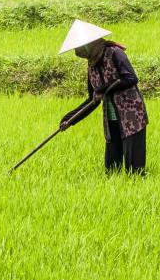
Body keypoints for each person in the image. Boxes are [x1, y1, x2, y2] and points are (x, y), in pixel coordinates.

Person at [57, 19, 148, 174]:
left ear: (89, 43)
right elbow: (91, 100)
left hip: (131, 117)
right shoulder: (91, 65)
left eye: (79, 47)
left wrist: (104, 89)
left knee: (135, 171)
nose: (77, 52)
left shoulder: (114, 53)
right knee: (112, 170)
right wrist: (69, 119)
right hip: (111, 118)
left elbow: (131, 78)